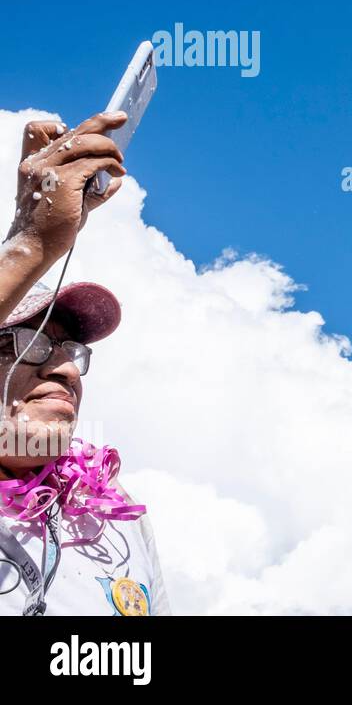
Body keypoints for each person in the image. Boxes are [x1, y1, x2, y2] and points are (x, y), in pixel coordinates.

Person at [0, 112, 170, 615]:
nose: (68, 371)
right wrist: (30, 242)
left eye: (74, 352)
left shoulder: (115, 515)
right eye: (31, 343)